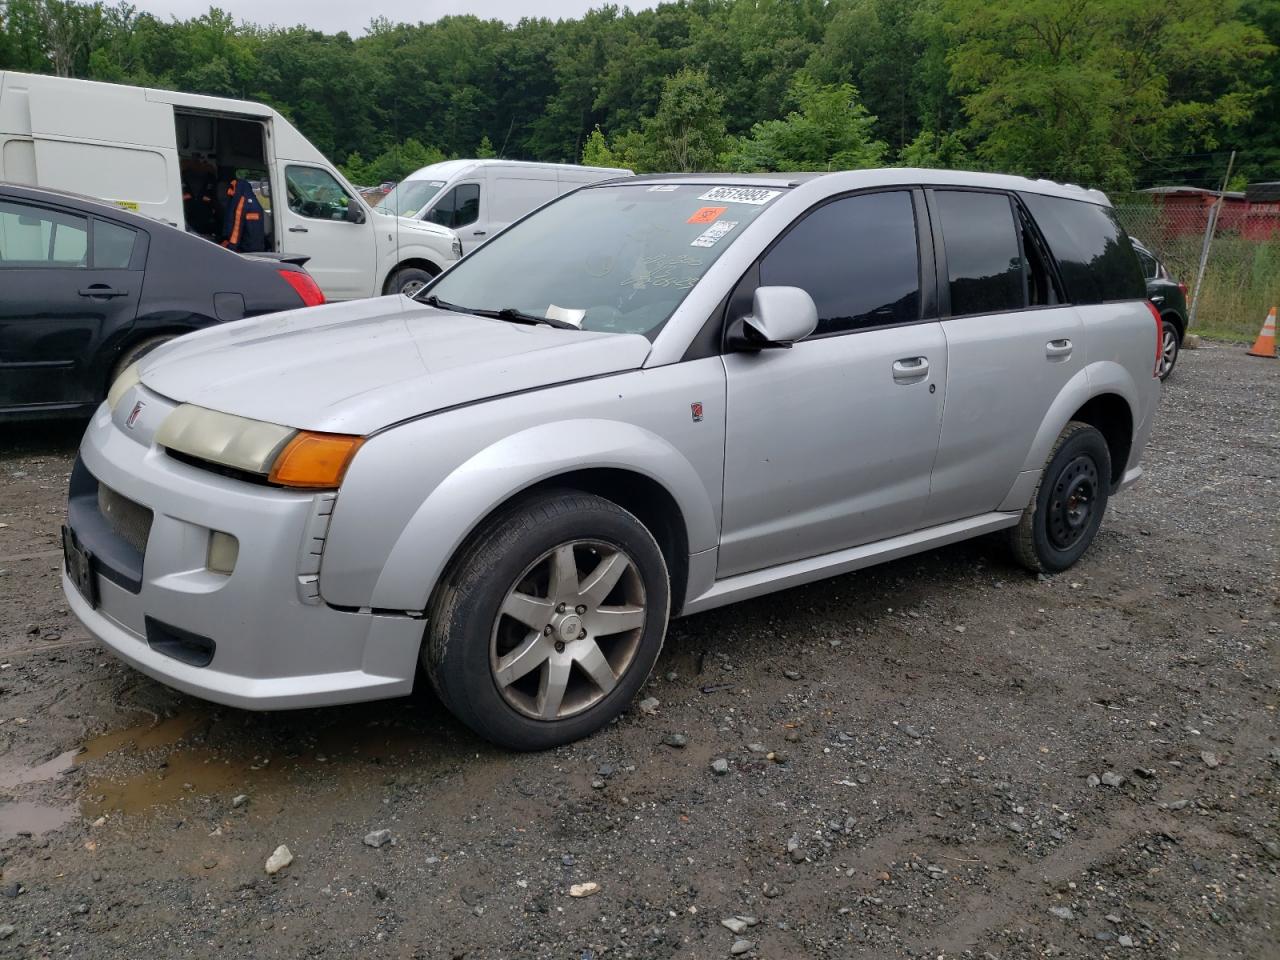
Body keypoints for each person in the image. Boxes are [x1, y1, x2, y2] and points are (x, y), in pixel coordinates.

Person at [221, 174, 267, 253]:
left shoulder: (243, 202)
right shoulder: (254, 201)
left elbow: (237, 228)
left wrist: (230, 248)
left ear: (239, 188)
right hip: (258, 246)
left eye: (232, 188)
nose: (229, 192)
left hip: (246, 249)